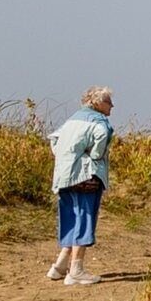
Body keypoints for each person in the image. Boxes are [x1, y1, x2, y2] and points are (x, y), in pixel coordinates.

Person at [46, 87, 115, 287]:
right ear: (98, 102)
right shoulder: (99, 121)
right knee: (84, 218)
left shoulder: (72, 119)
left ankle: (59, 266)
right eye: (109, 101)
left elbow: (54, 139)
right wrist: (94, 154)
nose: (112, 106)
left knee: (70, 217)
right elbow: (101, 137)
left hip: (64, 174)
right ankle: (76, 270)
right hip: (86, 175)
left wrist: (64, 155)